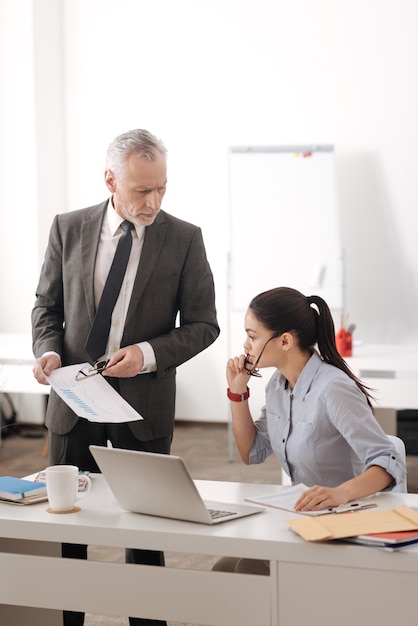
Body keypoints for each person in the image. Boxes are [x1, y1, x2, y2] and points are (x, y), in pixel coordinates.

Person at [32, 128, 220, 625]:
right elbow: (47, 308)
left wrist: (146, 354)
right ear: (111, 179)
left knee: (146, 530)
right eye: (142, 190)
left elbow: (205, 326)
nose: (153, 201)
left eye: (162, 188)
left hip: (144, 404)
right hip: (73, 403)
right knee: (67, 530)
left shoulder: (185, 239)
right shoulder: (67, 227)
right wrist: (48, 353)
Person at [214, 286, 405, 575]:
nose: (245, 345)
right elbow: (251, 453)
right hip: (308, 517)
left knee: (243, 572)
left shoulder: (333, 389)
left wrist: (340, 493)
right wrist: (237, 391)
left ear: (286, 341)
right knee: (226, 567)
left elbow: (388, 462)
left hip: (350, 519)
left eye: (253, 336)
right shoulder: (277, 386)